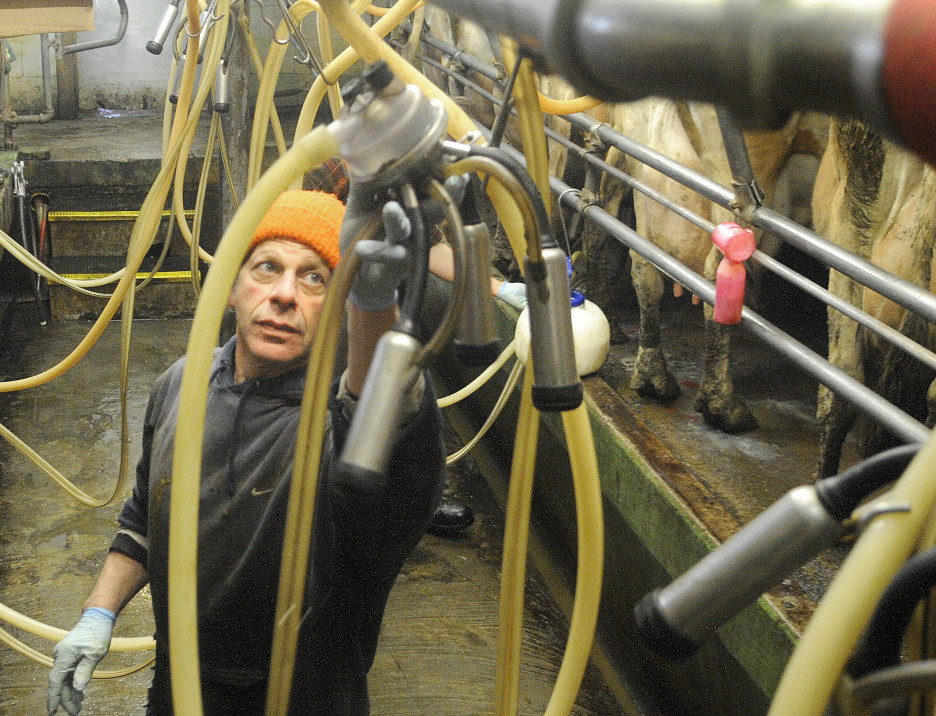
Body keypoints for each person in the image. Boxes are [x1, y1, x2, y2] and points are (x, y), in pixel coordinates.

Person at [47, 189, 446, 715]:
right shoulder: (183, 384)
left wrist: (373, 306)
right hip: (180, 692)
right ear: (232, 288)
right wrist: (98, 614)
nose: (284, 294)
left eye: (314, 279)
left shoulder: (341, 421)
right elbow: (145, 518)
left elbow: (383, 428)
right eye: (267, 267)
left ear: (338, 309)